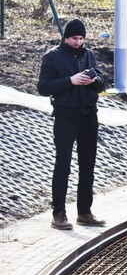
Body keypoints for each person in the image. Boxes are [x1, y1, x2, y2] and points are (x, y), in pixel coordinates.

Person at [37, 18, 107, 230]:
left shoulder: (89, 55)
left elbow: (102, 84)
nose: (78, 42)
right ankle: (58, 213)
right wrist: (71, 80)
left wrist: (94, 80)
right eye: (74, 38)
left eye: (81, 38)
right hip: (65, 116)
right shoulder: (52, 57)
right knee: (63, 165)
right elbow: (43, 87)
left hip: (88, 116)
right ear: (65, 37)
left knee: (87, 165)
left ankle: (84, 212)